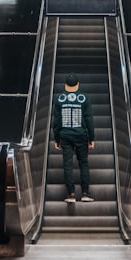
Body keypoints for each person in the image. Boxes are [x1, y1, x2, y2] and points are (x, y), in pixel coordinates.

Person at [52, 73, 95, 203]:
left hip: (65, 135)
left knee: (68, 164)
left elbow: (56, 121)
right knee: (83, 163)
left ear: (65, 85)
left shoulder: (59, 99)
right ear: (78, 85)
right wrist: (91, 138)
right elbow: (89, 119)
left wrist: (57, 139)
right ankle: (85, 194)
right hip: (81, 135)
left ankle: (71, 194)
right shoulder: (84, 98)